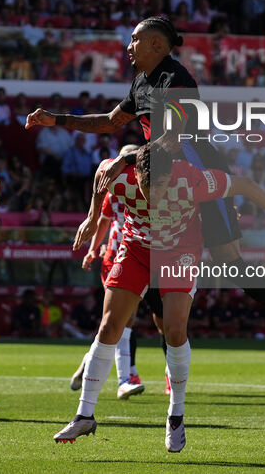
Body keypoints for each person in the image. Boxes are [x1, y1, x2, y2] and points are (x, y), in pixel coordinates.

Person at [25, 16, 265, 371]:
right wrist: (58, 120)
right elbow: (110, 122)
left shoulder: (177, 81)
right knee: (157, 256)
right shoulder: (141, 83)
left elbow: (172, 139)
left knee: (228, 260)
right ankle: (165, 354)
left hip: (197, 172)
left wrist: (128, 156)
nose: (128, 46)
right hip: (159, 175)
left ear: (157, 45)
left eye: (135, 40)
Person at [52, 143, 265, 450]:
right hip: (136, 248)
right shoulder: (117, 174)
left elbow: (248, 186)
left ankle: (175, 415)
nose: (157, 193)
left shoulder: (192, 179)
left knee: (175, 330)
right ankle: (84, 415)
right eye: (150, 185)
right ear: (136, 173)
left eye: (162, 185)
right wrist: (93, 218)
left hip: (180, 251)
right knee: (109, 326)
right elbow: (100, 177)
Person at [72, 145, 146, 400]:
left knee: (123, 320)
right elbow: (103, 219)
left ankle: (89, 361)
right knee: (122, 319)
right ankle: (124, 380)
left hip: (136, 250)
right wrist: (93, 249)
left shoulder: (142, 182)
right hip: (117, 253)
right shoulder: (114, 188)